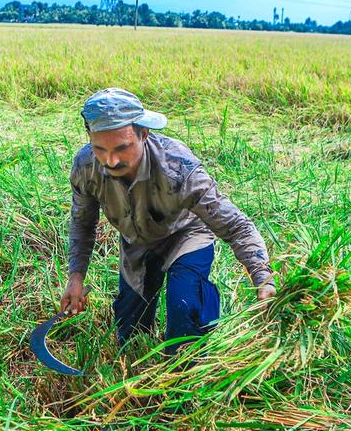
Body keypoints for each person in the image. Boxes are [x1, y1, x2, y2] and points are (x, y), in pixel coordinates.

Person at [60, 87, 275, 352]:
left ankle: (184, 371)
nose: (111, 160)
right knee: (130, 336)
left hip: (186, 235)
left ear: (144, 134)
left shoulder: (179, 168)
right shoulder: (86, 166)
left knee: (185, 312)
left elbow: (236, 226)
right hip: (137, 242)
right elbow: (82, 223)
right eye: (100, 149)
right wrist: (76, 277)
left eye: (122, 148)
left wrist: (263, 277)